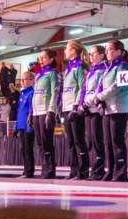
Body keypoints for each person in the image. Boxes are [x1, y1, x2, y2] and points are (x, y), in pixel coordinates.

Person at [95, 40, 128, 182]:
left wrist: (100, 96)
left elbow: (116, 87)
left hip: (120, 108)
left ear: (118, 51)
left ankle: (120, 172)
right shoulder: (108, 68)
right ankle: (110, 170)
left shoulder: (123, 67)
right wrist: (99, 98)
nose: (106, 52)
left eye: (110, 49)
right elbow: (102, 85)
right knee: (108, 142)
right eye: (106, 49)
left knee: (117, 141)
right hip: (108, 109)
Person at [62, 39, 89, 180]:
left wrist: (76, 106)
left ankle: (83, 170)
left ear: (73, 50)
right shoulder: (68, 68)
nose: (65, 51)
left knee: (78, 140)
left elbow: (82, 86)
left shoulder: (80, 66)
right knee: (70, 141)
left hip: (75, 108)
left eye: (67, 48)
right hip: (66, 108)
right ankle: (74, 169)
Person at [30, 49, 59, 179]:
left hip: (46, 111)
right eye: (40, 58)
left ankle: (50, 170)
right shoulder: (38, 75)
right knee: (40, 143)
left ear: (51, 59)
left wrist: (51, 111)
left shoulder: (53, 73)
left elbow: (55, 93)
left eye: (44, 57)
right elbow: (35, 94)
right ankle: (44, 168)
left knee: (47, 141)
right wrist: (31, 112)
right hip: (36, 112)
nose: (41, 60)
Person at [82, 45, 109, 180]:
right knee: (91, 141)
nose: (91, 56)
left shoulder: (104, 69)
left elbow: (100, 89)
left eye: (93, 54)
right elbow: (86, 89)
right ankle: (94, 170)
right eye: (90, 54)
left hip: (97, 109)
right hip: (88, 109)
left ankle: (99, 171)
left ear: (102, 55)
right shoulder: (92, 70)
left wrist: (90, 102)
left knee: (98, 141)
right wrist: (82, 103)